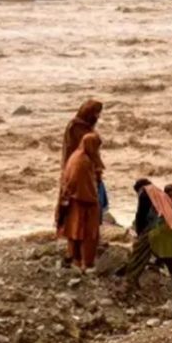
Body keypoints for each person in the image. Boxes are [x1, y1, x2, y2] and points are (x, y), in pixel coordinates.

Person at [121, 179, 172, 302]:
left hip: (163, 226)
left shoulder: (145, 191)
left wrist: (140, 235)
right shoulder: (161, 194)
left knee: (139, 251)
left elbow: (141, 216)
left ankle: (128, 284)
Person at [56, 133, 102, 272]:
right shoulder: (83, 162)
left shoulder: (75, 156)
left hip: (72, 202)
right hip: (84, 204)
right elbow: (84, 185)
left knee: (75, 233)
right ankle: (86, 263)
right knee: (88, 235)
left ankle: (75, 260)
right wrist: (94, 199)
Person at [60, 100, 109, 220]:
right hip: (78, 169)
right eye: (96, 113)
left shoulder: (88, 127)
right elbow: (76, 149)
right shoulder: (75, 128)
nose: (98, 117)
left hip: (89, 168)